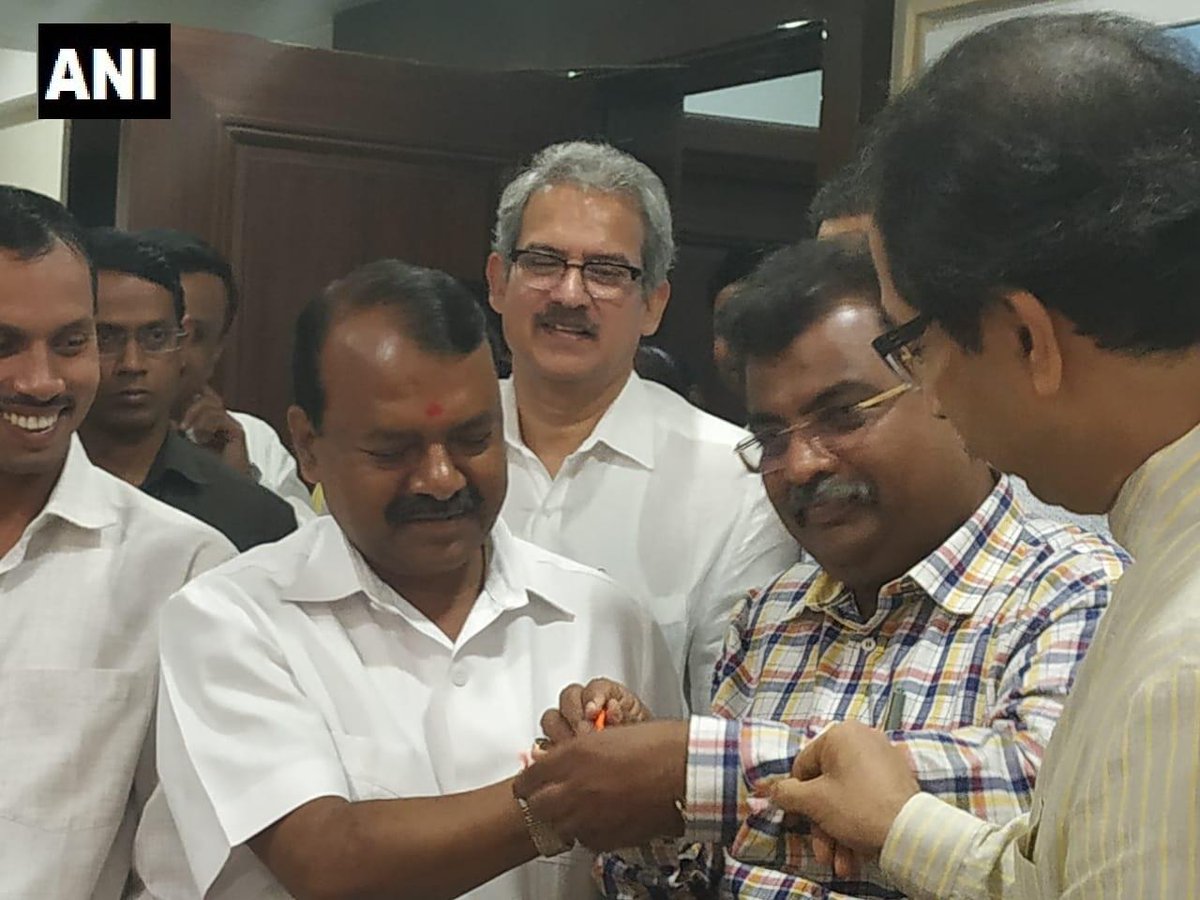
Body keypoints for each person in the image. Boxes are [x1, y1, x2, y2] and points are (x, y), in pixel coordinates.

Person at [513, 239, 1127, 899]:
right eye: (772, 437)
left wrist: (691, 776)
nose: (802, 464)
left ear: (944, 384)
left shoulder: (1075, 591)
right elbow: (704, 877)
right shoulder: (770, 618)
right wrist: (641, 814)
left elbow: (1037, 806)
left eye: (842, 415)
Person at [764, 14, 1200, 899]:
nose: (927, 395)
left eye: (912, 346)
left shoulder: (1180, 668)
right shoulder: (1158, 556)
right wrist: (902, 828)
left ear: (1024, 336)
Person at [143, 259, 681, 900]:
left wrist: (645, 793)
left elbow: (662, 863)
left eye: (474, 439)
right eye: (393, 451)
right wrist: (565, 795)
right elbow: (329, 863)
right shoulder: (229, 620)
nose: (442, 478)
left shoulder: (602, 615)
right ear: (308, 446)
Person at [485, 140, 798, 710]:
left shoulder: (735, 479)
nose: (569, 293)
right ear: (498, 281)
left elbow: (726, 725)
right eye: (543, 262)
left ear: (653, 304)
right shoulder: (439, 457)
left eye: (605, 271)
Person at [0, 186, 234, 898]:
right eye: (3, 344)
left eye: (72, 343)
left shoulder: (179, 567)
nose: (41, 381)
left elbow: (183, 867)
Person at [808, 146, 1113, 539]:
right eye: (825, 271)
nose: (855, 298)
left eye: (873, 274)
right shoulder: (799, 442)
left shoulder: (1060, 463)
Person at [79, 228, 296, 551]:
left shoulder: (255, 516)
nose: (132, 363)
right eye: (107, 338)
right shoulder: (23, 486)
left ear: (181, 346)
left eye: (155, 337)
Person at [140, 227, 316, 522]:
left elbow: (309, 553)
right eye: (159, 333)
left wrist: (238, 484)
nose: (177, 353)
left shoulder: (256, 443)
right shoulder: (68, 438)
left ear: (218, 348)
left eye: (196, 336)